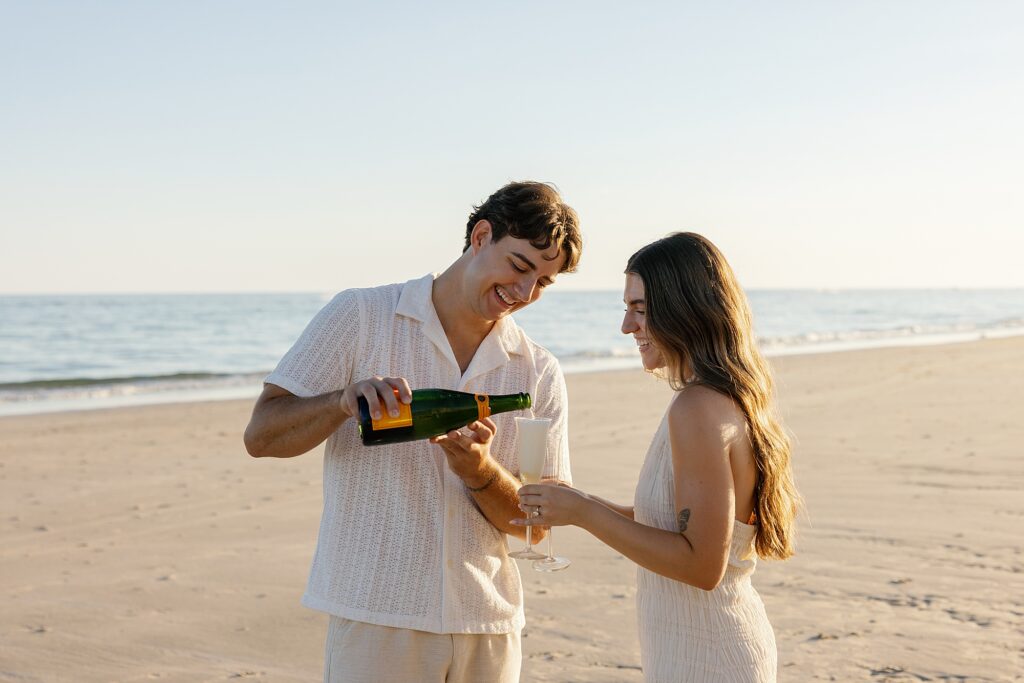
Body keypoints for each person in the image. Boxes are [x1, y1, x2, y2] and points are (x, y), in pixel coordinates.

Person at [243, 181, 582, 683]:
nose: (525, 293)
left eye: (544, 282)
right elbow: (262, 437)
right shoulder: (360, 317)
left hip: (486, 625)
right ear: (481, 235)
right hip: (378, 618)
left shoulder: (537, 371)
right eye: (520, 266)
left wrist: (479, 471)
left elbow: (534, 525)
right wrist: (341, 402)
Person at [515, 232, 800, 682]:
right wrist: (577, 501)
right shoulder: (717, 399)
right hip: (706, 647)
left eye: (641, 310)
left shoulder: (698, 408)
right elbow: (676, 524)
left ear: (686, 311)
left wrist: (586, 513)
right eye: (627, 309)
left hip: (708, 657)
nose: (627, 327)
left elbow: (701, 565)